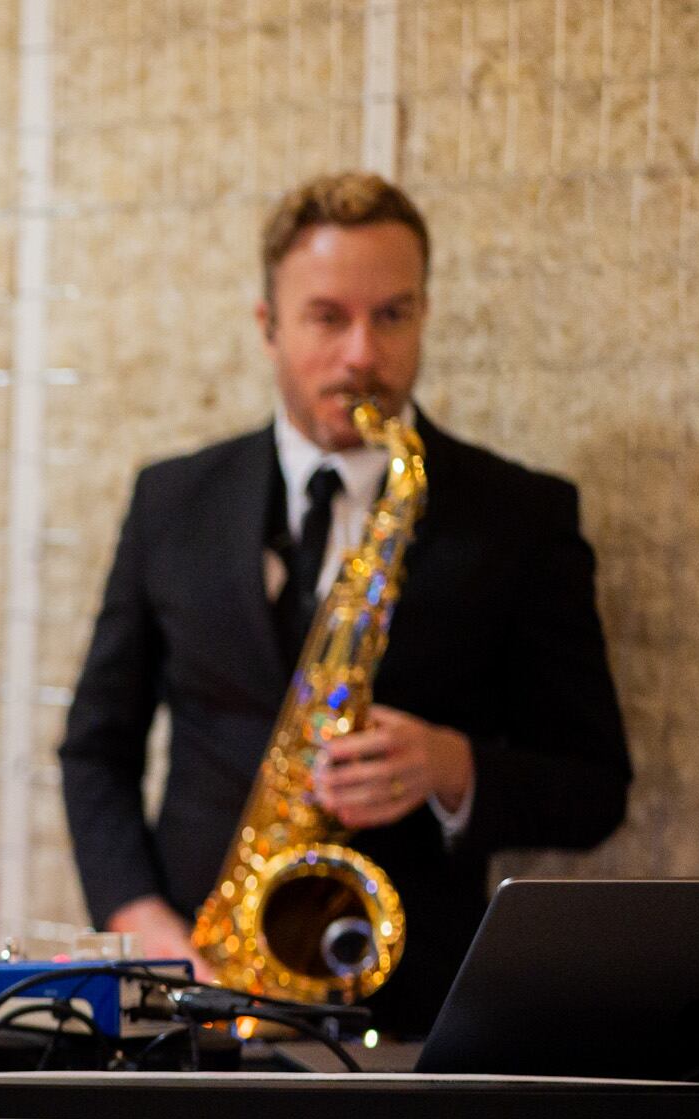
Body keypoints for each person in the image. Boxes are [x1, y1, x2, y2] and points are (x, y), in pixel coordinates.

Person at [57, 171, 632, 1034]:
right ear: (268, 327)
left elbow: (596, 788)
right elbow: (94, 751)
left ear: (425, 314)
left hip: (412, 1007)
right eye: (328, 317)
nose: (363, 353)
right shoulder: (171, 499)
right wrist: (144, 925)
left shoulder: (522, 515)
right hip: (198, 987)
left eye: (393, 314)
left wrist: (452, 766)